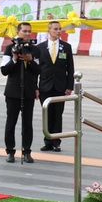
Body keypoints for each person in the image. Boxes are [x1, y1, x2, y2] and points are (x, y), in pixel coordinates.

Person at [1, 22, 40, 164]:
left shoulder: (35, 50)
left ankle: (26, 151)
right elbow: (4, 70)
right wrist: (14, 59)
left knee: (27, 124)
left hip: (28, 91)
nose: (27, 34)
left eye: (29, 31)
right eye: (24, 31)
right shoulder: (10, 48)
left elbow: (39, 70)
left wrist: (30, 61)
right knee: (11, 123)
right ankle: (10, 151)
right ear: (18, 32)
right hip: (13, 92)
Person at [36, 21, 74, 152]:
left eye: (60, 29)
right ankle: (47, 141)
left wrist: (69, 86)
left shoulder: (66, 47)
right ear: (49, 30)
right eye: (55, 29)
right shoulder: (40, 47)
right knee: (47, 114)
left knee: (58, 114)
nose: (58, 31)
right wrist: (36, 87)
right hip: (44, 87)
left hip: (60, 86)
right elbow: (36, 69)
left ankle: (56, 142)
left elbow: (70, 68)